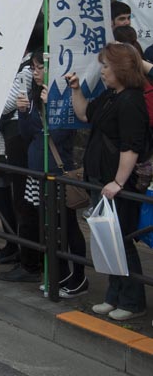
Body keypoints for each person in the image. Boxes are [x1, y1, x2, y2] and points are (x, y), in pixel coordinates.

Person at [68, 43, 149, 320]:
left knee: (122, 241)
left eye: (106, 66)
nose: (102, 71)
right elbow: (84, 114)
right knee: (107, 241)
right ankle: (114, 295)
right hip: (100, 179)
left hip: (115, 183)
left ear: (121, 69)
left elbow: (131, 147)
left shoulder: (131, 101)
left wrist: (118, 181)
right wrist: (76, 89)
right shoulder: (112, 96)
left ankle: (132, 300)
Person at [16, 51, 87, 297]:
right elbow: (28, 134)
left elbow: (56, 133)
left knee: (67, 226)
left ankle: (79, 277)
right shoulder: (37, 95)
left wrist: (45, 108)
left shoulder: (64, 95)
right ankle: (62, 273)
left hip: (57, 170)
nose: (35, 72)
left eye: (39, 67)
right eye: (33, 68)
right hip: (38, 171)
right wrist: (24, 113)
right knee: (50, 227)